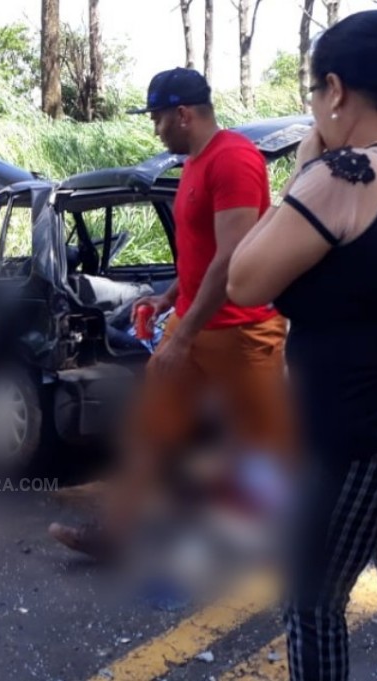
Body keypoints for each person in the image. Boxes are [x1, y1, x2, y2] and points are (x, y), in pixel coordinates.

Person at [228, 11, 377, 681]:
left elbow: (245, 277)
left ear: (335, 89)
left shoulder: (345, 176)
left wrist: (305, 170)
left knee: (314, 596)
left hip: (359, 431)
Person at [49, 68, 292, 559]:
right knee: (151, 430)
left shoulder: (235, 160)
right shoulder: (193, 165)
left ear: (184, 113)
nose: (155, 127)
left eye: (158, 117)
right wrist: (169, 298)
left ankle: (294, 543)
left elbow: (233, 256)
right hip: (193, 324)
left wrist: (182, 334)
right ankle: (115, 534)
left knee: (265, 447)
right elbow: (202, 255)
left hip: (243, 331)